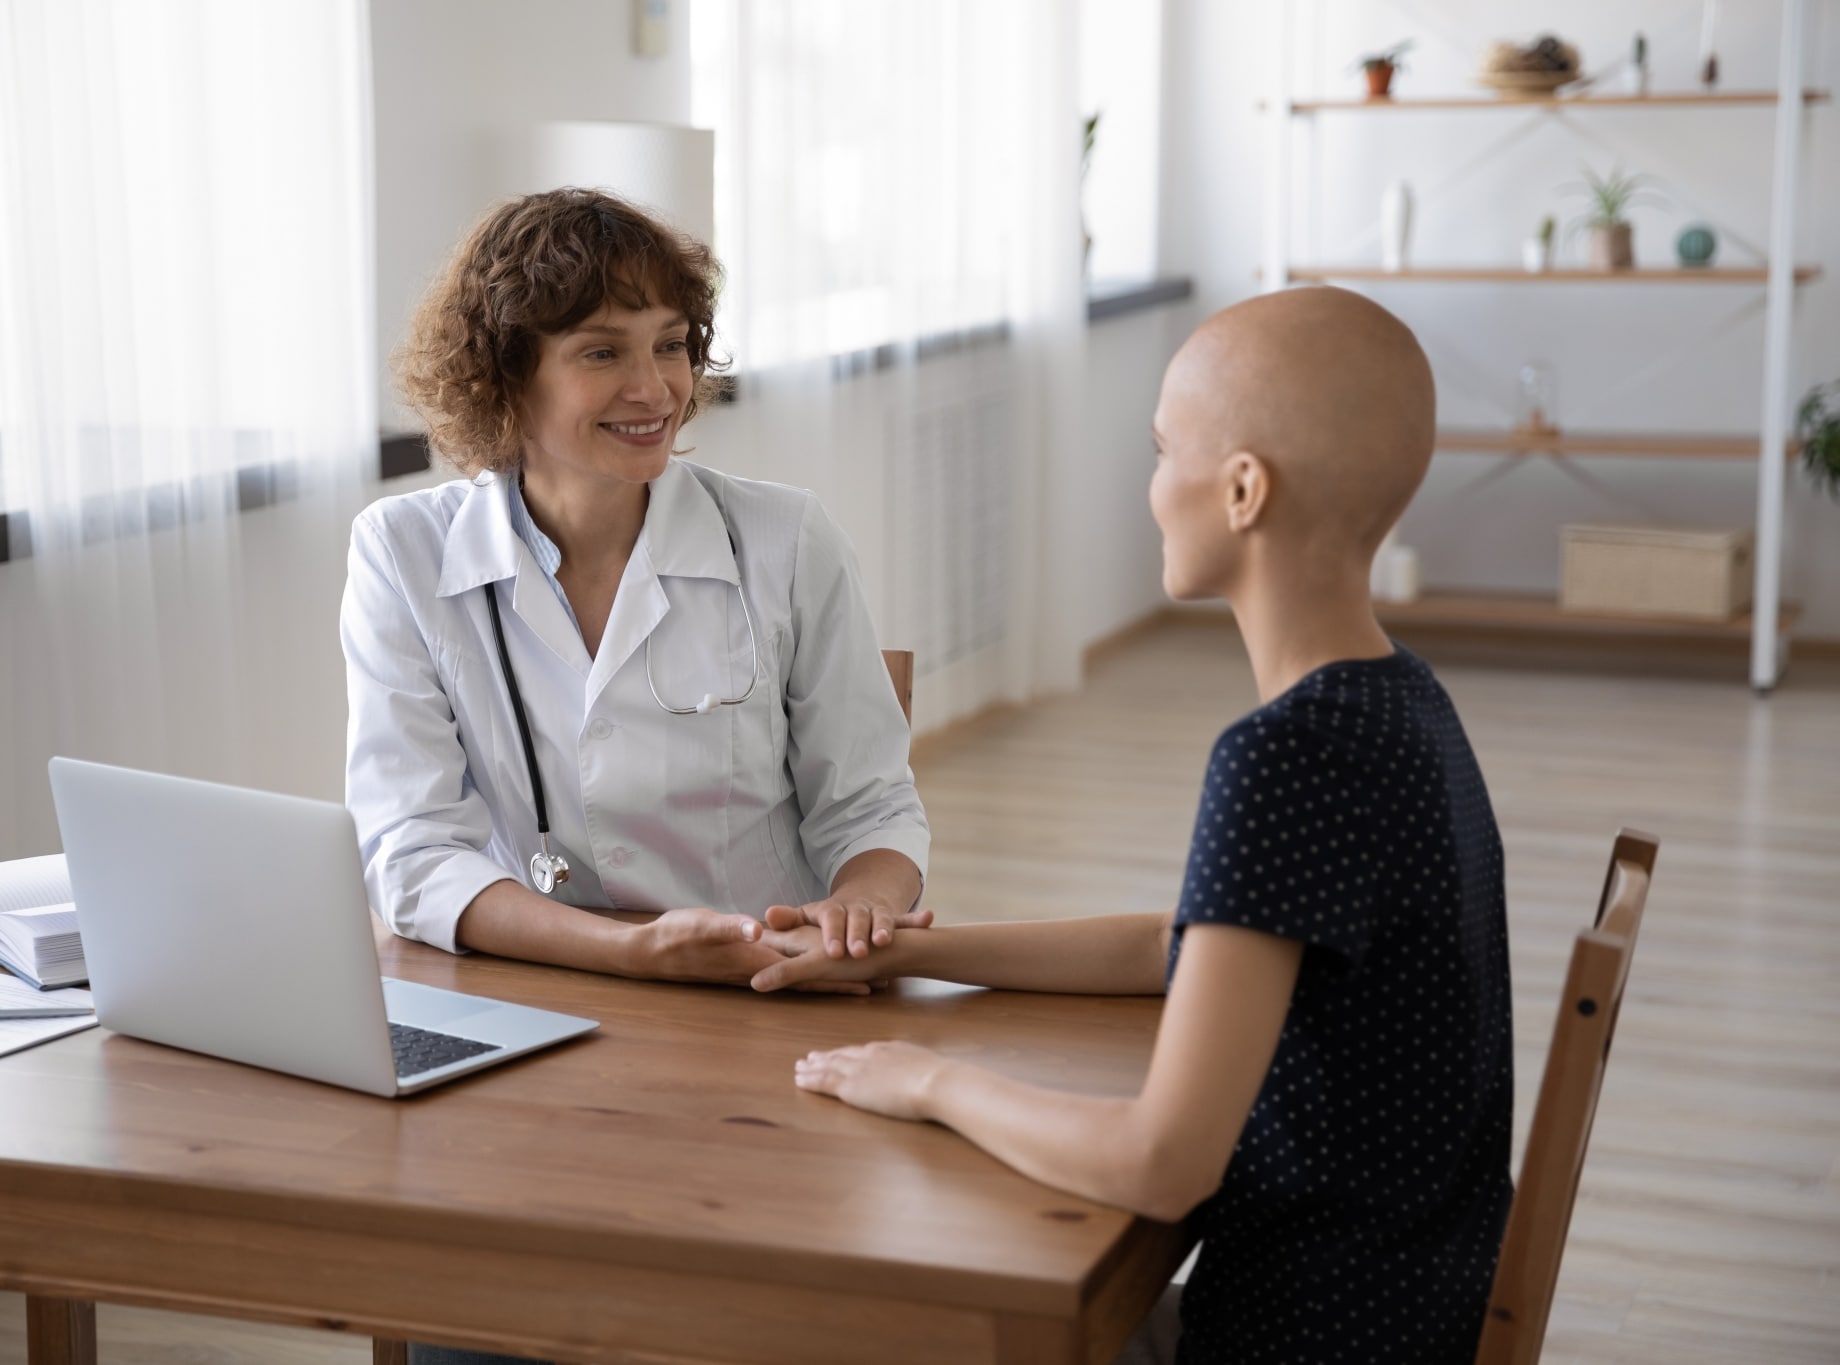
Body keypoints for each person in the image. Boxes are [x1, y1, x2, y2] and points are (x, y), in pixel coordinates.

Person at [764, 287, 1514, 1364]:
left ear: (1242, 490)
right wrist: (909, 952)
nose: (1151, 487)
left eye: (1164, 452)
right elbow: (1186, 945)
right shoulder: (1400, 701)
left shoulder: (1284, 756)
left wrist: (925, 1079)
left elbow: (1161, 1165)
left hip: (1287, 1339)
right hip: (1396, 1316)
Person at [342, 188, 930, 989]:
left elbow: (869, 805)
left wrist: (861, 907)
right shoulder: (403, 553)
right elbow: (411, 850)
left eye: (671, 345)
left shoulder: (787, 540)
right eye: (602, 352)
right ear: (504, 376)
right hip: (538, 982)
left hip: (769, 987)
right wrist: (628, 951)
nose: (655, 389)